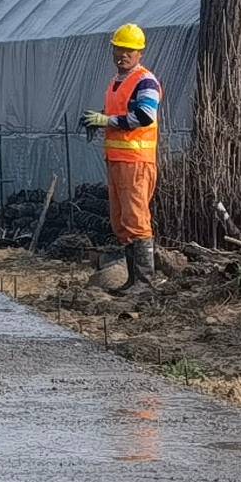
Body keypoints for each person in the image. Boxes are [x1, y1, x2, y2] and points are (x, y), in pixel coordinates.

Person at [83, 22, 165, 293]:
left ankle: (144, 282)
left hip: (136, 161)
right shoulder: (117, 83)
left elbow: (144, 116)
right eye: (119, 49)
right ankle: (133, 280)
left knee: (137, 219)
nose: (123, 55)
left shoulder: (145, 81)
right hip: (118, 159)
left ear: (139, 53)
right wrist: (101, 123)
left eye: (129, 50)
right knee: (122, 221)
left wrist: (107, 120)